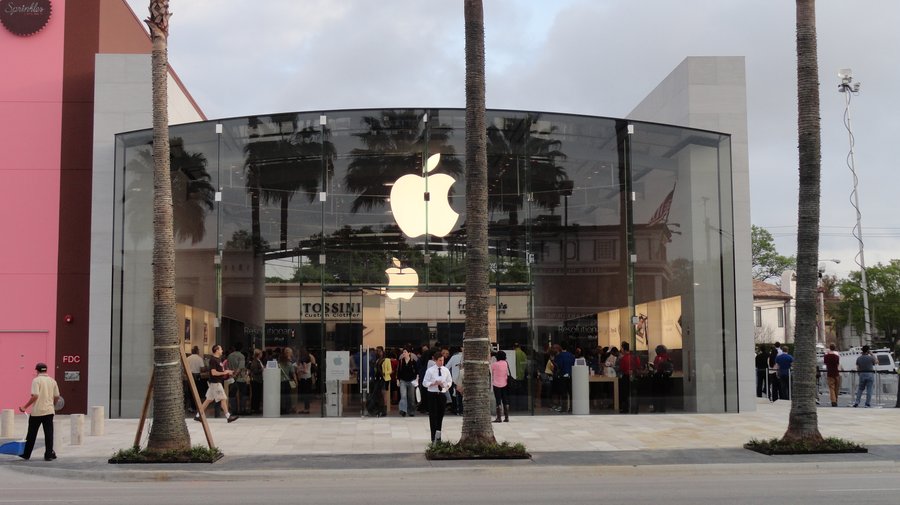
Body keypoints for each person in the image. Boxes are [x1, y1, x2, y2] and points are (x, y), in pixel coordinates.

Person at [17, 363, 60, 461]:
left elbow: (35, 395)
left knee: (32, 433)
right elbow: (57, 396)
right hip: (49, 411)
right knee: (49, 433)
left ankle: (26, 454)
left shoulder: (36, 380)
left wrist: (25, 407)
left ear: (37, 370)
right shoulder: (52, 381)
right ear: (46, 370)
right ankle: (48, 454)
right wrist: (53, 404)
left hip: (37, 411)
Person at [194, 344, 239, 422]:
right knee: (223, 398)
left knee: (208, 399)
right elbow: (214, 373)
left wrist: (227, 372)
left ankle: (198, 415)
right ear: (217, 350)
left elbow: (220, 371)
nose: (222, 350)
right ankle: (228, 416)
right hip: (216, 383)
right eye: (221, 349)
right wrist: (225, 373)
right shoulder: (213, 360)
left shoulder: (219, 359)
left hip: (215, 383)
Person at [422, 352, 452, 443]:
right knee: (433, 415)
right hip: (432, 394)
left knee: (440, 415)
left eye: (442, 360)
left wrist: (446, 385)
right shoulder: (430, 370)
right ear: (435, 360)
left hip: (442, 393)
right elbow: (424, 383)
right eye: (439, 360)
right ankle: (433, 436)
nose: (441, 362)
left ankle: (438, 436)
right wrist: (433, 383)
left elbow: (449, 381)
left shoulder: (445, 370)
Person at [618, 342, 642, 414]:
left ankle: (626, 408)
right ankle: (635, 408)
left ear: (623, 348)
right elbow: (638, 366)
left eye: (621, 347)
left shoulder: (623, 358)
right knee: (634, 393)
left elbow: (622, 368)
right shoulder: (635, 357)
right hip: (634, 376)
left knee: (625, 393)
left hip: (626, 377)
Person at [227, 342, 248, 415]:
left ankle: (234, 410)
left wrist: (232, 375)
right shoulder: (241, 356)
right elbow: (241, 367)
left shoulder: (229, 355)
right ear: (241, 348)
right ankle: (242, 409)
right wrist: (236, 375)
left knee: (232, 394)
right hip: (240, 378)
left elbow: (228, 366)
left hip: (231, 377)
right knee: (243, 393)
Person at [554, 343, 576, 413]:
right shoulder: (571, 355)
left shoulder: (559, 356)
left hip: (562, 375)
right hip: (570, 375)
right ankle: (572, 407)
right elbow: (574, 364)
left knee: (563, 393)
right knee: (570, 392)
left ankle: (564, 408)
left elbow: (558, 365)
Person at [397, 347, 418, 417]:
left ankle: (411, 411)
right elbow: (398, 372)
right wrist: (398, 380)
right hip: (403, 381)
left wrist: (417, 379)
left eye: (405, 352)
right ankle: (403, 410)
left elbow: (417, 372)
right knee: (403, 396)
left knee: (411, 397)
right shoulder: (400, 361)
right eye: (403, 352)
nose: (404, 353)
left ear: (409, 353)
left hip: (411, 381)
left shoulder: (413, 361)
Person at [651, 344, 672, 413]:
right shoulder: (667, 357)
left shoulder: (658, 357)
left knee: (657, 393)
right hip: (665, 378)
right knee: (662, 394)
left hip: (659, 377)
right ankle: (662, 408)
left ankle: (656, 408)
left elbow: (656, 367)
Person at [491, 350, 511, 422]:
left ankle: (499, 418)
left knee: (498, 400)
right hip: (505, 383)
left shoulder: (494, 364)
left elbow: (491, 371)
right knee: (505, 399)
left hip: (496, 384)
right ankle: (506, 417)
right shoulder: (506, 363)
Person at [295, 348, 316, 414]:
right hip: (308, 378)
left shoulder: (303, 361)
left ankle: (306, 409)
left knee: (305, 395)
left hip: (305, 379)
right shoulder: (308, 359)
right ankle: (306, 409)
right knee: (307, 394)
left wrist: (298, 369)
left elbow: (305, 371)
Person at [446, 346, 463, 415]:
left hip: (455, 379)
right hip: (465, 379)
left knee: (456, 395)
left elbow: (447, 367)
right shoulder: (467, 356)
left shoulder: (453, 357)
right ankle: (463, 410)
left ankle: (457, 410)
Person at [249, 348, 264, 414]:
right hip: (256, 380)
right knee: (255, 394)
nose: (262, 354)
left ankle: (256, 408)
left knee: (258, 394)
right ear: (258, 354)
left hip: (259, 380)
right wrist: (262, 369)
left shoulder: (258, 361)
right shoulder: (255, 362)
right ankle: (254, 408)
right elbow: (255, 371)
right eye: (261, 353)